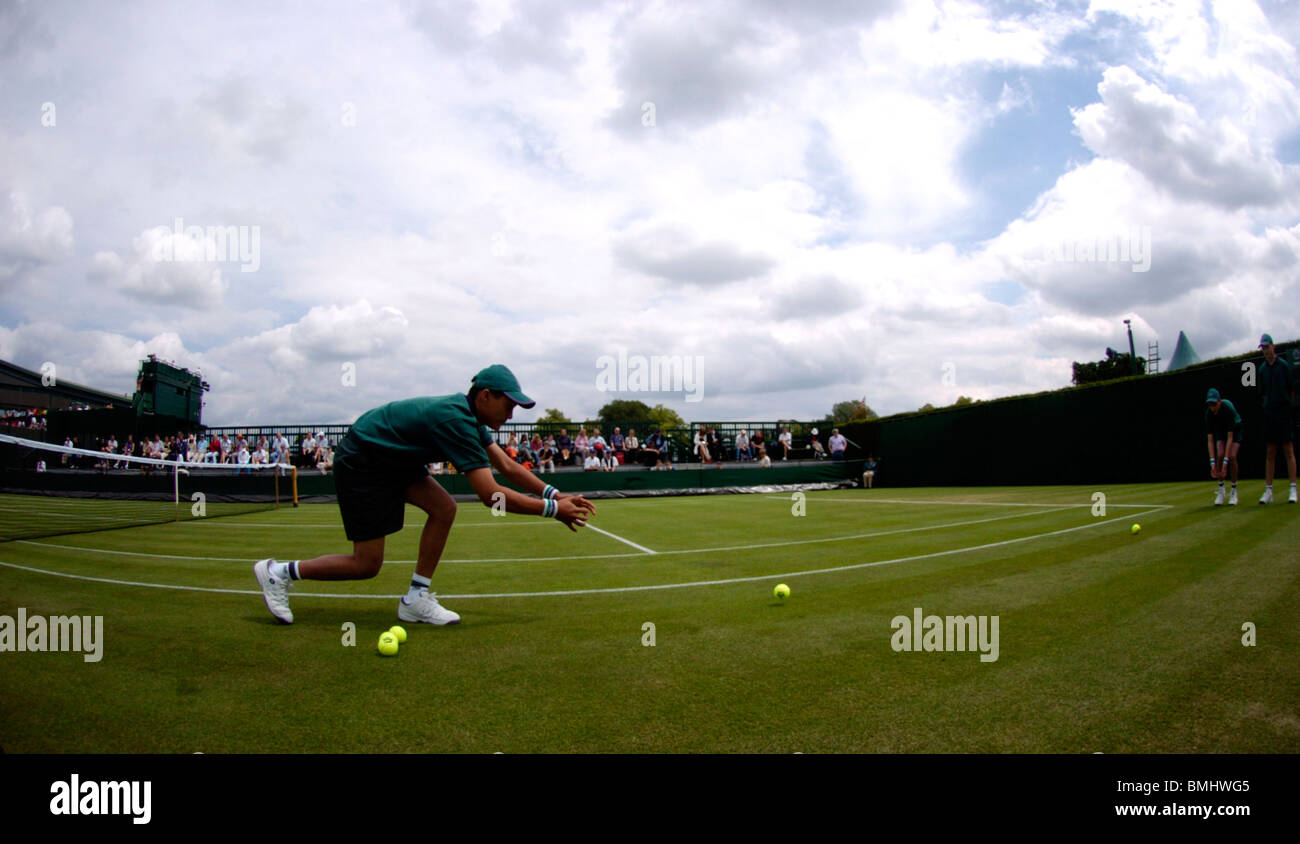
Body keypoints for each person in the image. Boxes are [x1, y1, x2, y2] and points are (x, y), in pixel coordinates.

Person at [254, 365, 596, 626]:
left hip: (393, 460)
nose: (511, 414)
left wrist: (555, 492)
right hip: (364, 461)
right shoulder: (455, 420)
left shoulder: (470, 418)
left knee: (444, 508)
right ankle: (279, 572)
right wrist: (553, 509)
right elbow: (492, 496)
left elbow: (507, 465)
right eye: (508, 405)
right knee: (366, 565)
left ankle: (415, 598)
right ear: (485, 396)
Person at [1256, 334, 1297, 504]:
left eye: (1267, 347)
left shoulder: (1284, 366)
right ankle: (1268, 491)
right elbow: (1262, 393)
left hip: (1283, 411)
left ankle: (1293, 489)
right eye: (1263, 348)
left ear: (1273, 346)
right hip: (1270, 413)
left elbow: (1291, 390)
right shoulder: (1262, 370)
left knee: (1288, 450)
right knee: (1270, 452)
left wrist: (1286, 407)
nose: (1265, 350)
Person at [1204, 388, 1242, 506]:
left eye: (1214, 404)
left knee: (1232, 456)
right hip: (1221, 430)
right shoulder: (1209, 414)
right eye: (1210, 404)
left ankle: (1234, 491)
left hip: (1235, 430)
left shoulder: (1228, 410)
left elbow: (1230, 438)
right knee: (1219, 455)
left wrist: (1225, 464)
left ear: (1219, 401)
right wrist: (1212, 463)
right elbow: (1210, 440)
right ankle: (1221, 490)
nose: (1212, 407)